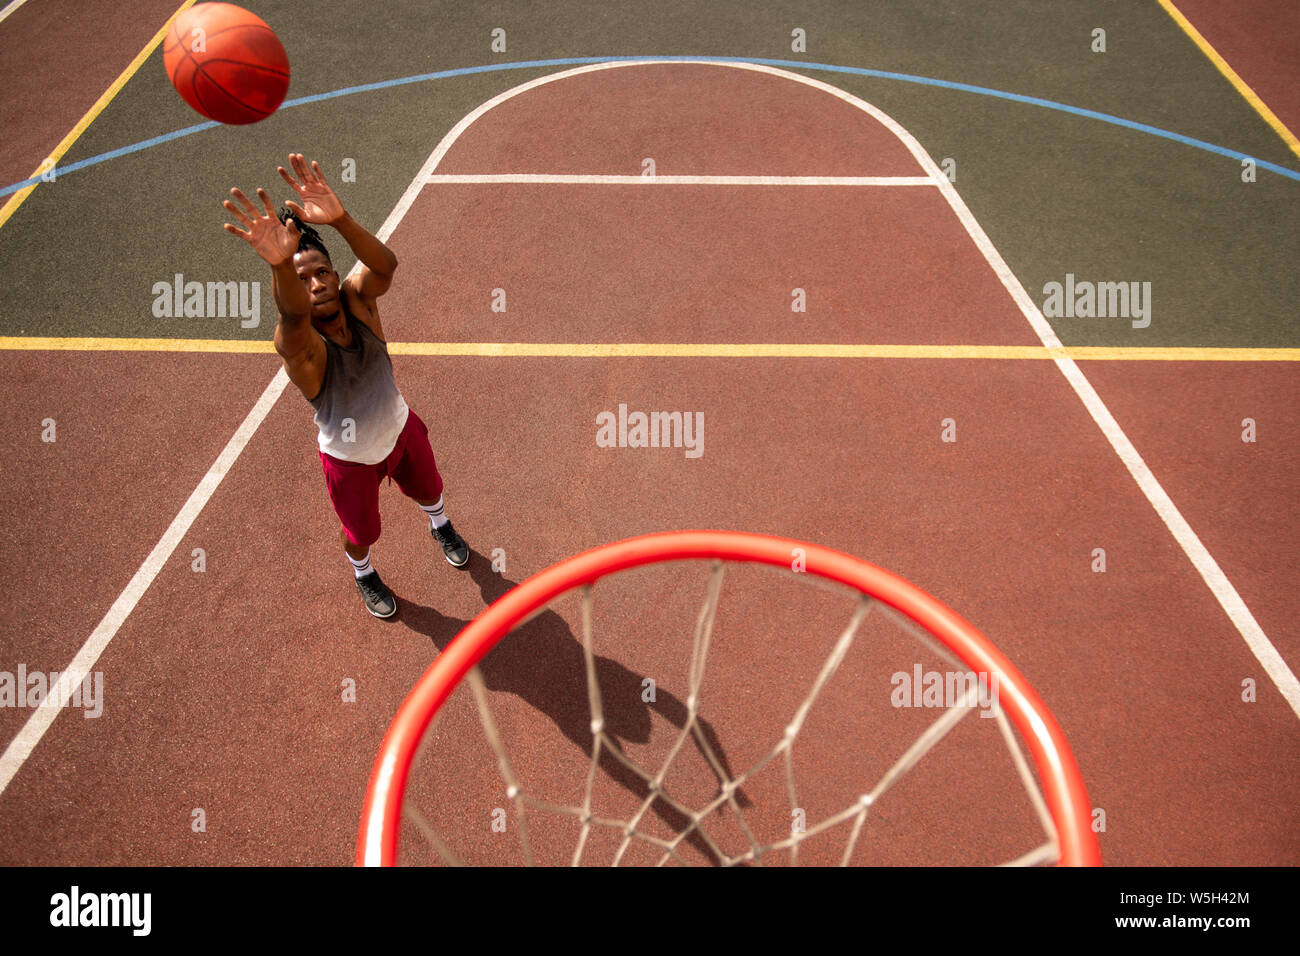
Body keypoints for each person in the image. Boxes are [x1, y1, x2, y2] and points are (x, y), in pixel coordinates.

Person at [222, 153, 468, 618]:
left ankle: (440, 523)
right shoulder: (305, 350)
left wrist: (341, 219)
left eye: (321, 272)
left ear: (336, 275)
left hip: (399, 428)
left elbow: (387, 265)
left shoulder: (358, 302)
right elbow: (293, 317)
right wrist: (279, 266)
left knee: (431, 488)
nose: (315, 284)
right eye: (302, 279)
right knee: (362, 532)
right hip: (349, 459)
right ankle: (363, 572)